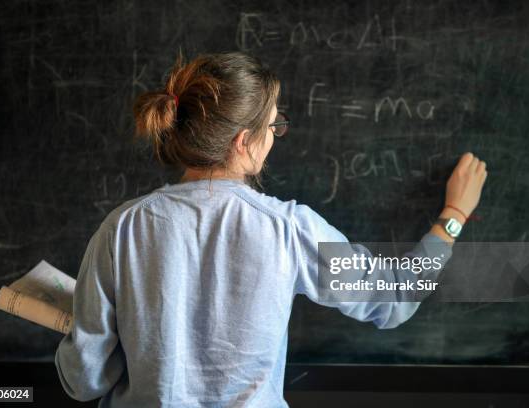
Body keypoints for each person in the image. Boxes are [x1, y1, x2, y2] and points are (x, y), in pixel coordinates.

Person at [55, 52, 487, 407]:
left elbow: (85, 379)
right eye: (274, 126)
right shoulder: (288, 230)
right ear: (244, 141)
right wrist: (452, 217)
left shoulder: (122, 230)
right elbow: (392, 300)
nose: (276, 136)